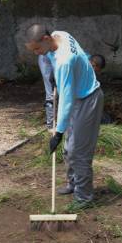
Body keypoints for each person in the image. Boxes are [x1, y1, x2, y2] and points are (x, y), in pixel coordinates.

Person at [25, 24, 104, 208]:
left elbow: (66, 102)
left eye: (37, 49)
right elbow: (80, 56)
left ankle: (84, 197)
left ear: (46, 39)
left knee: (78, 152)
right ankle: (73, 183)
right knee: (69, 148)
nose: (36, 53)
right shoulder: (60, 35)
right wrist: (55, 73)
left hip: (87, 99)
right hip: (78, 96)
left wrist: (58, 133)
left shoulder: (64, 62)